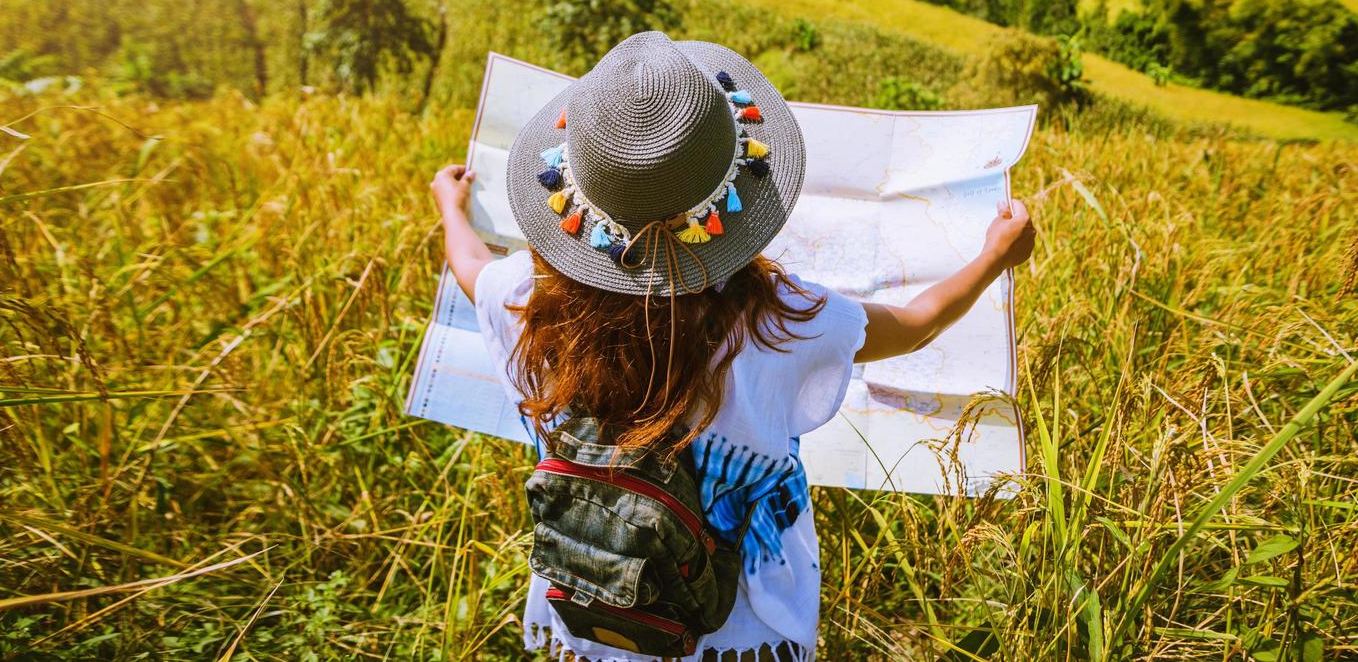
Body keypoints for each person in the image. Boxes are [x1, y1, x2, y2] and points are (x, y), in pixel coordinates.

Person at [429, 32, 1036, 662]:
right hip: (735, 626)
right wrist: (995, 255)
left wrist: (452, 207)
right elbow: (917, 322)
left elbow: (472, 265)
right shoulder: (786, 324)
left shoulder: (528, 299)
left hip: (591, 600)